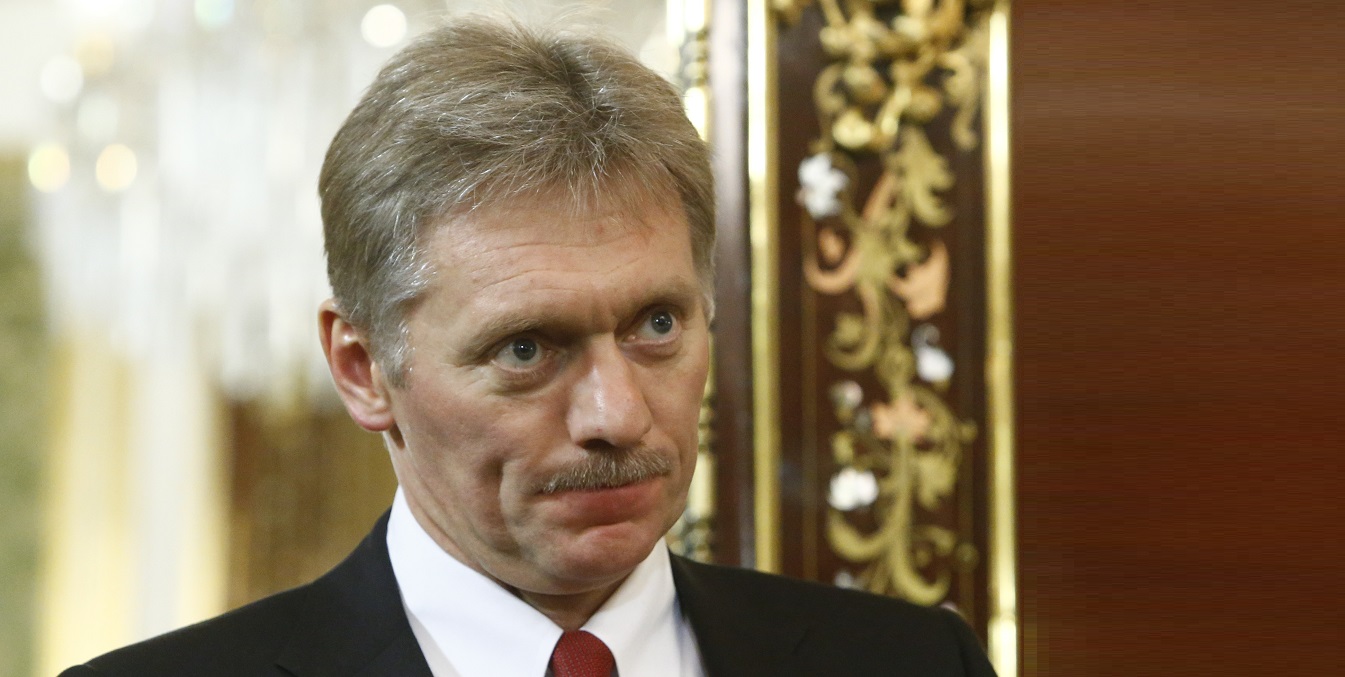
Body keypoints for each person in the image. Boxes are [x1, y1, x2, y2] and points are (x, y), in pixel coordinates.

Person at [61, 15, 996, 677]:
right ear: (362, 367)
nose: (616, 414)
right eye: (525, 349)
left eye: (657, 325)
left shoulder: (912, 662)